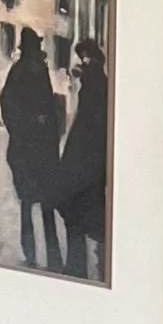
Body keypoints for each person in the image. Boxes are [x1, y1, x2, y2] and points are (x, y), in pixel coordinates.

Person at [0, 29, 64, 270]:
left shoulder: (37, 69)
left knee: (40, 205)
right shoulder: (21, 71)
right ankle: (35, 256)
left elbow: (44, 105)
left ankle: (47, 256)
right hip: (28, 149)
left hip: (39, 150)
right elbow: (8, 104)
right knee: (31, 204)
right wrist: (29, 123)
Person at [58, 34, 109, 281]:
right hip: (89, 159)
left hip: (86, 160)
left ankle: (79, 268)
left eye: (84, 58)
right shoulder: (96, 81)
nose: (81, 62)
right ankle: (82, 267)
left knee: (78, 214)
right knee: (83, 217)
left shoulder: (95, 82)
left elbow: (88, 125)